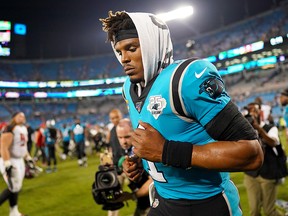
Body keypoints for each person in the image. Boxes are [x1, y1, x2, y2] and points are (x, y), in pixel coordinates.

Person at [100, 11, 263, 216]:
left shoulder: (186, 79)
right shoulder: (129, 88)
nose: (124, 59)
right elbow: (160, 136)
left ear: (152, 45)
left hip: (205, 202)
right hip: (161, 199)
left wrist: (165, 152)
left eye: (131, 49)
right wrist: (141, 161)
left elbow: (251, 154)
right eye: (119, 52)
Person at [243, 102, 285, 216]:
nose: (252, 115)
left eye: (255, 111)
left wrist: (259, 129)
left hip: (268, 173)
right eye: (250, 112)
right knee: (254, 211)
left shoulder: (271, 128)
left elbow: (273, 142)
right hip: (251, 174)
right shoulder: (246, 130)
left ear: (261, 113)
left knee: (269, 211)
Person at [114, 118, 152, 216]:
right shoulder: (126, 150)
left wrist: (132, 196)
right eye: (120, 137)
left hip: (153, 205)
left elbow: (153, 182)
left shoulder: (144, 150)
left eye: (127, 137)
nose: (123, 141)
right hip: (142, 204)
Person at [0, 112, 35, 216]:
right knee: (14, 187)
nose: (22, 117)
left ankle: (14, 212)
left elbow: (22, 147)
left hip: (19, 160)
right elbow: (3, 147)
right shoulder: (10, 128)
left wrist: (28, 158)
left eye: (23, 116)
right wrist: (7, 163)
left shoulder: (23, 129)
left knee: (17, 187)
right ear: (13, 118)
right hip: (9, 159)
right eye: (19, 115)